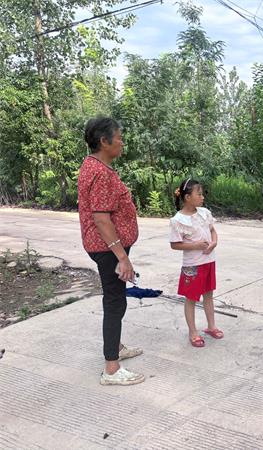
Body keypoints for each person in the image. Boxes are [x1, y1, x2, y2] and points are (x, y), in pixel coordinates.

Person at [77, 117, 144, 386]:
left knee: (116, 299)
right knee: (115, 301)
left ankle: (115, 347)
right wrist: (122, 258)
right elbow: (101, 219)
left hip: (108, 247)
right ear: (104, 141)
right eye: (118, 137)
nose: (122, 142)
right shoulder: (100, 172)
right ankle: (112, 369)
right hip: (107, 249)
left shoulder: (93, 166)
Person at [169, 179, 221, 348]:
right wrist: (196, 246)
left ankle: (211, 326)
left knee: (208, 294)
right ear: (187, 197)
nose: (202, 197)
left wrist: (214, 242)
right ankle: (193, 332)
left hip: (209, 261)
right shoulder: (178, 220)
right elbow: (174, 245)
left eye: (202, 194)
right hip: (192, 265)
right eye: (199, 194)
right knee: (191, 298)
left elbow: (213, 231)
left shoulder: (204, 213)